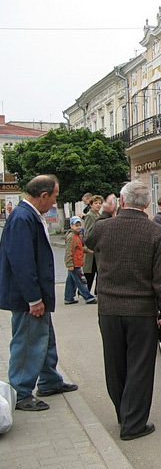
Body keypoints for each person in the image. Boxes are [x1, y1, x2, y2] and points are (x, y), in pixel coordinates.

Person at [85, 180, 161, 441]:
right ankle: (134, 423)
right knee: (140, 366)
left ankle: (123, 415)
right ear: (147, 204)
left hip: (109, 309)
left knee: (115, 365)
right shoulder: (155, 232)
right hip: (142, 310)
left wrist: (106, 214)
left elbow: (89, 240)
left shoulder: (103, 227)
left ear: (121, 202)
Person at [0, 175, 78, 412]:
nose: (54, 201)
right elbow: (22, 263)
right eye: (54, 196)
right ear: (43, 195)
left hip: (36, 295)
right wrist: (34, 299)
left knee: (44, 338)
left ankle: (49, 380)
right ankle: (21, 393)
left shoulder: (29, 215)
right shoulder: (22, 218)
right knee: (27, 343)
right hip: (28, 298)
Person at [64, 216, 97, 305]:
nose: (78, 227)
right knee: (80, 281)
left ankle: (68, 297)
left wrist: (87, 250)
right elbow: (69, 251)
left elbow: (79, 248)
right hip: (74, 263)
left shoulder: (77, 236)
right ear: (71, 226)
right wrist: (70, 263)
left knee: (71, 281)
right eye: (76, 225)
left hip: (76, 262)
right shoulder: (72, 237)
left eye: (79, 225)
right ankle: (88, 297)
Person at [82, 194, 103, 292]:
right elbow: (88, 231)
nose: (98, 205)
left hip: (98, 246)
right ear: (91, 205)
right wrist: (87, 246)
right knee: (90, 271)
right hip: (92, 246)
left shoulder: (98, 215)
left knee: (98, 270)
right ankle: (85, 291)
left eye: (100, 203)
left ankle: (96, 290)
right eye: (96, 203)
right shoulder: (90, 215)